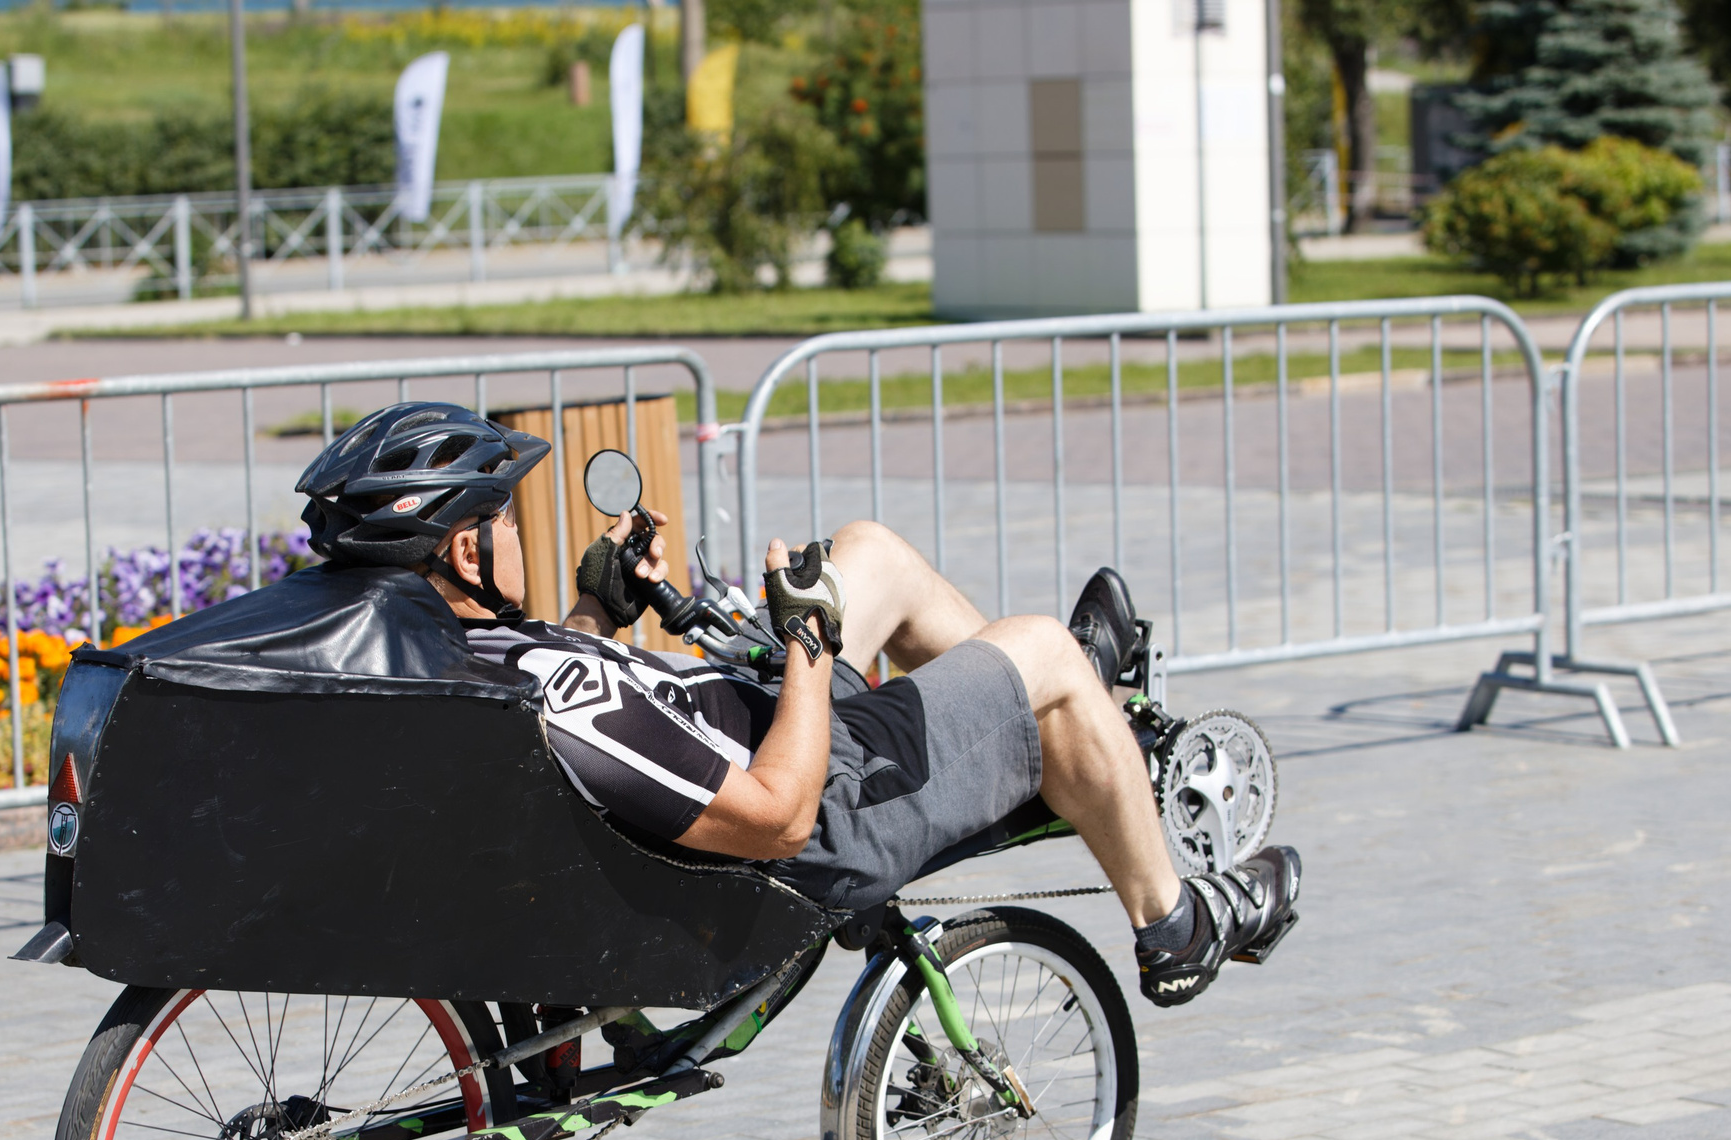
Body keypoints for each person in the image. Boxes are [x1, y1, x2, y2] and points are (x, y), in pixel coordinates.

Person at [296, 403, 1300, 1008]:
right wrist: (807, 641)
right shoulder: (562, 691)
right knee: (1037, 645)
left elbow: (570, 697)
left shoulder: (461, 657)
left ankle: (1053, 707)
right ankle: (1174, 919)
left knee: (871, 553)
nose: (517, 526)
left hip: (762, 724)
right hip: (823, 803)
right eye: (504, 515)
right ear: (467, 551)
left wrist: (599, 605)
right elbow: (776, 815)